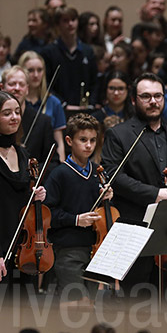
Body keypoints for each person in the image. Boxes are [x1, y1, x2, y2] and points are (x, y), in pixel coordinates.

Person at [101, 72, 167, 288]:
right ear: (133, 100)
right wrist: (154, 194)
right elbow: (115, 176)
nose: (153, 101)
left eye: (158, 96)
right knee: (136, 296)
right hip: (134, 228)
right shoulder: (118, 134)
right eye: (146, 96)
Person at [0, 91, 46, 287]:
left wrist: (36, 195)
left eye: (17, 111)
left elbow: (22, 200)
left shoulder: (23, 153)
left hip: (25, 251)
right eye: (7, 113)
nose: (15, 117)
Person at [45, 115, 113, 299]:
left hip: (95, 249)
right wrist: (75, 219)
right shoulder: (59, 174)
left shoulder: (99, 172)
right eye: (83, 140)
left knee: (92, 304)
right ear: (69, 141)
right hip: (69, 250)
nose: (89, 145)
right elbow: (47, 213)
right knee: (74, 303)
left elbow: (107, 214)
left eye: (93, 140)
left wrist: (108, 199)